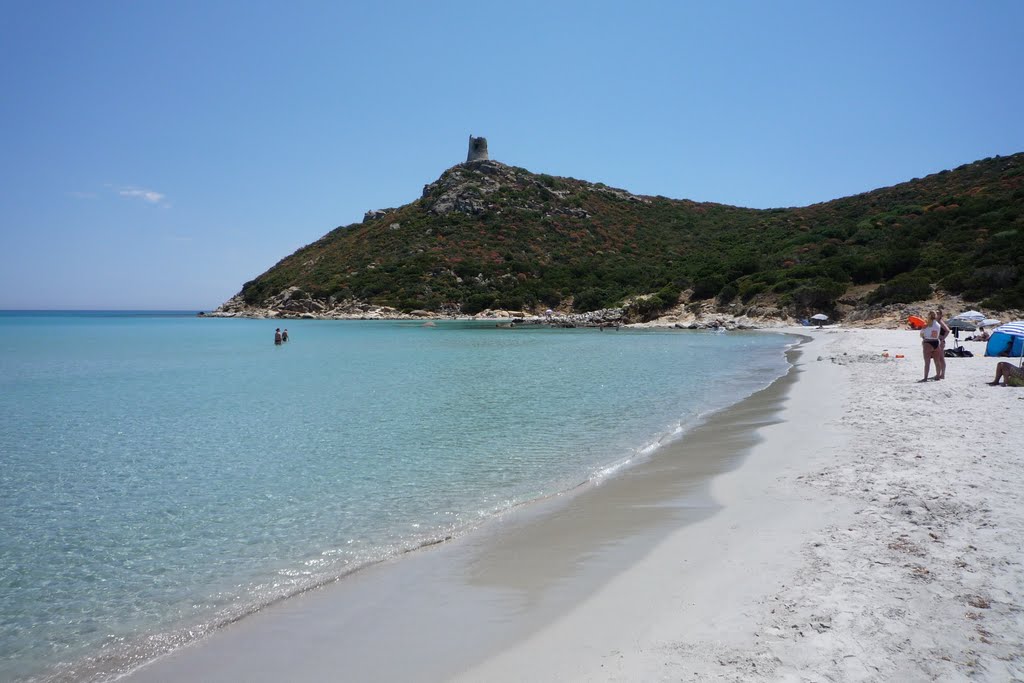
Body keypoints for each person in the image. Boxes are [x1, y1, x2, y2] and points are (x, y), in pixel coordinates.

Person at [918, 311, 943, 382]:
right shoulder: (938, 325)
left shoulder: (926, 325)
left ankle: (925, 377)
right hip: (936, 342)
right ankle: (938, 375)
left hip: (928, 342)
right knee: (937, 361)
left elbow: (921, 334)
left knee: (927, 362)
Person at [934, 309, 950, 380]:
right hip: (936, 341)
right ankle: (939, 373)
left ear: (940, 315)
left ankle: (942, 374)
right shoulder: (936, 322)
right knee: (937, 358)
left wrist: (942, 338)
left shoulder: (940, 322)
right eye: (935, 313)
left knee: (941, 358)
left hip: (940, 342)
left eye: (937, 313)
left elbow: (947, 330)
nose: (936, 314)